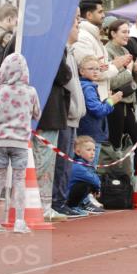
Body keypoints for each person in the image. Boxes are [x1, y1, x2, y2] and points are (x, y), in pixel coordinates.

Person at [0, 53, 41, 234]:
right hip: (20, 142)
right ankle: (20, 222)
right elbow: (37, 114)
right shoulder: (31, 92)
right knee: (19, 180)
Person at [54, 11, 87, 216]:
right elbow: (65, 80)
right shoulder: (61, 51)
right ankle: (57, 201)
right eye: (75, 21)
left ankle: (62, 200)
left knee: (66, 163)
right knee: (61, 162)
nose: (79, 25)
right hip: (66, 115)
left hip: (74, 115)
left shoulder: (71, 52)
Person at [33, 51, 72, 222]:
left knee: (33, 161)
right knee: (44, 162)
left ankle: (34, 205)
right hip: (49, 113)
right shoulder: (52, 44)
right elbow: (64, 75)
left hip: (30, 112)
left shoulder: (18, 40)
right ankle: (42, 207)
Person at [73, 0, 128, 104]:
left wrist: (111, 64)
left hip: (101, 99)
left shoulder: (93, 35)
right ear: (89, 15)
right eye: (100, 12)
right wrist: (115, 65)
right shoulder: (83, 37)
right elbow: (91, 71)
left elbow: (100, 66)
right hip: (92, 101)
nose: (103, 15)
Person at [78, 55, 123, 165]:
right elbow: (98, 111)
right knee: (90, 166)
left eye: (97, 69)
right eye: (91, 69)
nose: (95, 72)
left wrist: (107, 100)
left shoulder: (86, 85)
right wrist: (112, 101)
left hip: (87, 133)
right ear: (81, 71)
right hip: (91, 134)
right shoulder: (88, 88)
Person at [105, 19, 137, 151]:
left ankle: (133, 171)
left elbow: (133, 84)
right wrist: (128, 70)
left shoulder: (126, 51)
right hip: (115, 103)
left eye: (128, 32)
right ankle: (112, 171)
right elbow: (112, 82)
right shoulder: (107, 51)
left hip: (129, 103)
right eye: (124, 32)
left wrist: (136, 72)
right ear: (113, 33)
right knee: (115, 143)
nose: (127, 35)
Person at [66, 136, 103, 215]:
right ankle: (72, 206)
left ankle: (77, 205)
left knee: (89, 184)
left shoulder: (85, 165)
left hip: (69, 193)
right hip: (66, 196)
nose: (92, 153)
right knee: (85, 184)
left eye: (94, 150)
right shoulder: (78, 166)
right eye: (88, 150)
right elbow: (95, 180)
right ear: (78, 152)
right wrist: (97, 188)